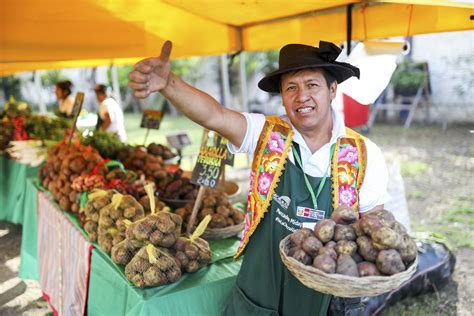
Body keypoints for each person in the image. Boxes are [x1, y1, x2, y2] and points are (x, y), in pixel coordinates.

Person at [129, 40, 390, 315]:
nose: (302, 96)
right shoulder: (266, 134)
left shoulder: (364, 155)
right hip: (260, 285)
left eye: (312, 85)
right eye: (291, 87)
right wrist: (169, 83)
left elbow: (373, 235)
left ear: (332, 89)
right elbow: (214, 116)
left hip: (320, 297)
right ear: (282, 96)